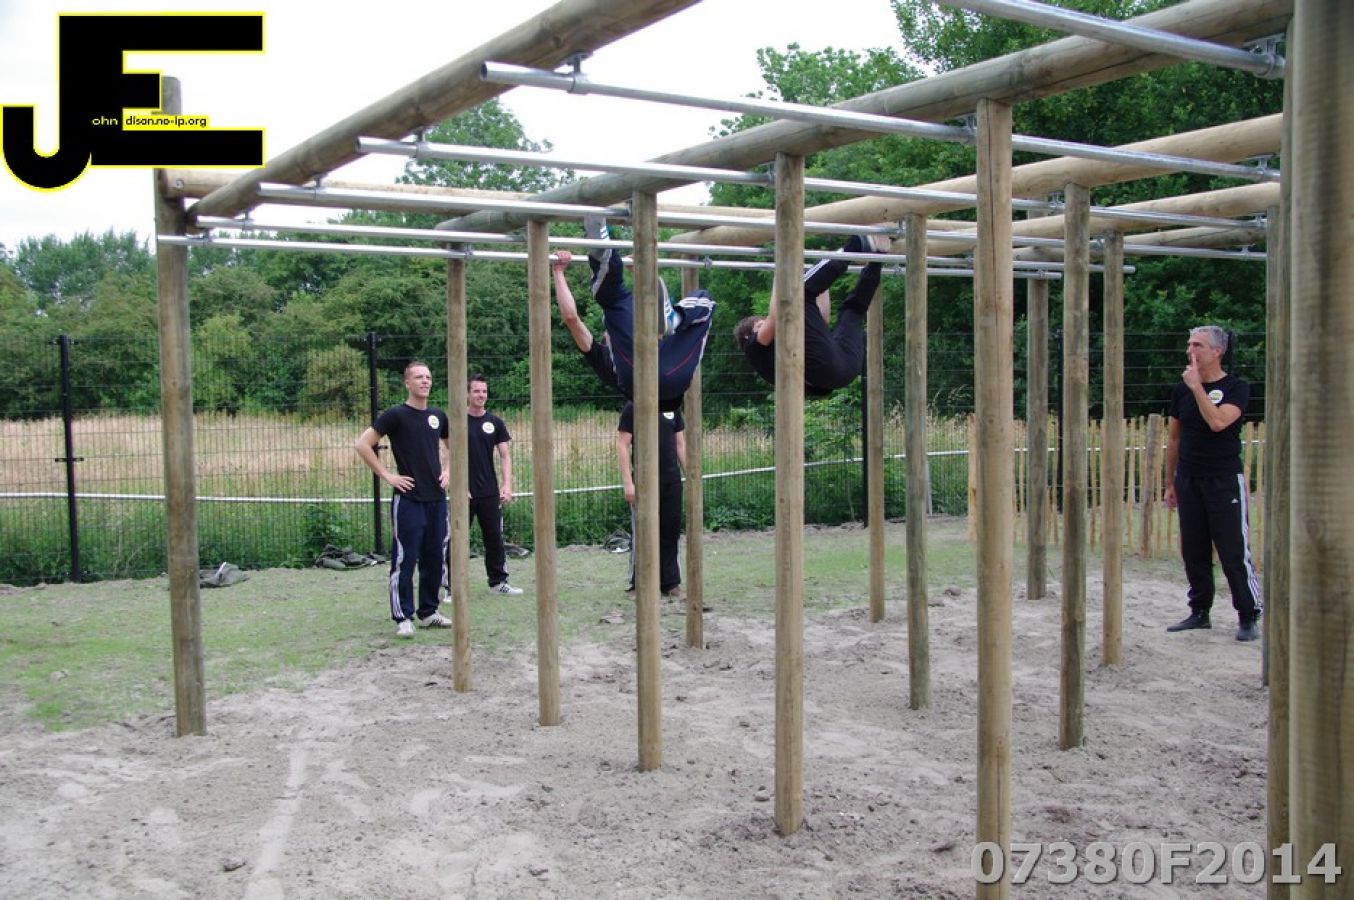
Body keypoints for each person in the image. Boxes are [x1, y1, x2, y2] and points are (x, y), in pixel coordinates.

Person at [551, 215, 716, 413]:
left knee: (616, 303)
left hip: (657, 381)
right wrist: (558, 272)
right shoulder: (605, 355)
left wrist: (558, 273)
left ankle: (604, 249)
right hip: (664, 374)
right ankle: (674, 316)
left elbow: (572, 319)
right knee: (703, 302)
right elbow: (571, 319)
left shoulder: (608, 355)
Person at [1163, 325, 1262, 642]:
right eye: (1189, 344)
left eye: (1198, 345)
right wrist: (1170, 482)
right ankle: (1199, 611)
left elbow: (1218, 422)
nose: (1190, 350)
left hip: (1223, 479)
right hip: (1188, 478)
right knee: (1194, 549)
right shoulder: (1181, 390)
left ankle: (1248, 614)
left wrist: (1197, 388)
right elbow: (1174, 438)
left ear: (1217, 351)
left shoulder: (1236, 387)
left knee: (1233, 549)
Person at [354, 360, 452, 638]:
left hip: (437, 499)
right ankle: (403, 616)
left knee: (435, 556)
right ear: (407, 383)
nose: (425, 381)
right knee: (405, 558)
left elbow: (454, 445)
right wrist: (388, 476)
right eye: (419, 377)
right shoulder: (395, 415)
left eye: (428, 377)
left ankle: (429, 612)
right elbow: (362, 444)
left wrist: (448, 470)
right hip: (408, 500)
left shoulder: (438, 416)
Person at [733, 233, 891, 395]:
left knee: (853, 310)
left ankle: (878, 257)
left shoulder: (784, 347)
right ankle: (855, 245)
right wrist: (780, 270)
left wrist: (821, 283)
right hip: (825, 367)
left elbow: (822, 318)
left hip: (845, 369)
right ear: (747, 335)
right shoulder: (753, 348)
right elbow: (775, 315)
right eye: (760, 325)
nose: (765, 323)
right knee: (796, 295)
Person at [617, 401, 686, 597]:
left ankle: (670, 582)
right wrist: (628, 483)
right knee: (643, 532)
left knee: (670, 531)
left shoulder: (672, 406)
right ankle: (638, 583)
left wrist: (692, 475)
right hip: (644, 482)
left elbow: (680, 444)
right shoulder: (633, 406)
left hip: (671, 481)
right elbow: (623, 445)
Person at [466, 373, 523, 596]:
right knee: (456, 540)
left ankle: (499, 582)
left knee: (494, 538)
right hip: (464, 492)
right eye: (476, 391)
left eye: (484, 391)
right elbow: (446, 454)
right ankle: (450, 586)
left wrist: (507, 485)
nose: (481, 395)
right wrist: (456, 485)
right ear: (467, 394)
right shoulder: (457, 421)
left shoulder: (494, 422)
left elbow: (505, 455)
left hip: (489, 491)